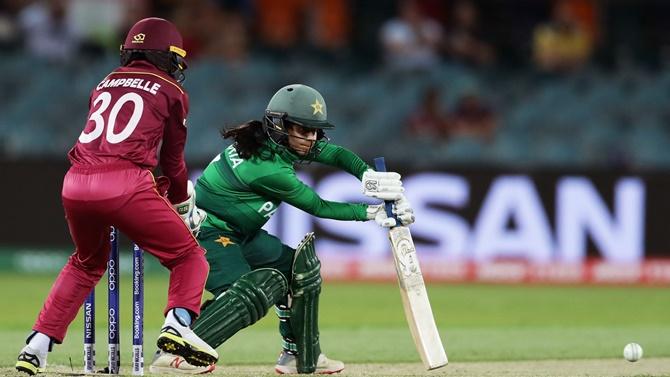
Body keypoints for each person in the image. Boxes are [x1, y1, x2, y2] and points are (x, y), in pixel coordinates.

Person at [149, 84, 414, 374]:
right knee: (247, 292)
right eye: (304, 130)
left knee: (299, 270)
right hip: (210, 233)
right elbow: (318, 207)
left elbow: (338, 155)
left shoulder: (276, 143)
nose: (311, 139)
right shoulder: (267, 169)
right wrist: (371, 212)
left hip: (242, 234)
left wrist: (368, 176)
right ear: (280, 125)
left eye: (315, 131)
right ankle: (172, 355)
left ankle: (299, 355)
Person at [15, 17, 217, 375]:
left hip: (75, 182)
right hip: (125, 182)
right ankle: (176, 326)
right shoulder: (171, 90)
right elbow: (172, 163)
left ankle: (36, 345)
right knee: (189, 257)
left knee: (86, 263)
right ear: (167, 55)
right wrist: (184, 205)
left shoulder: (105, 80)